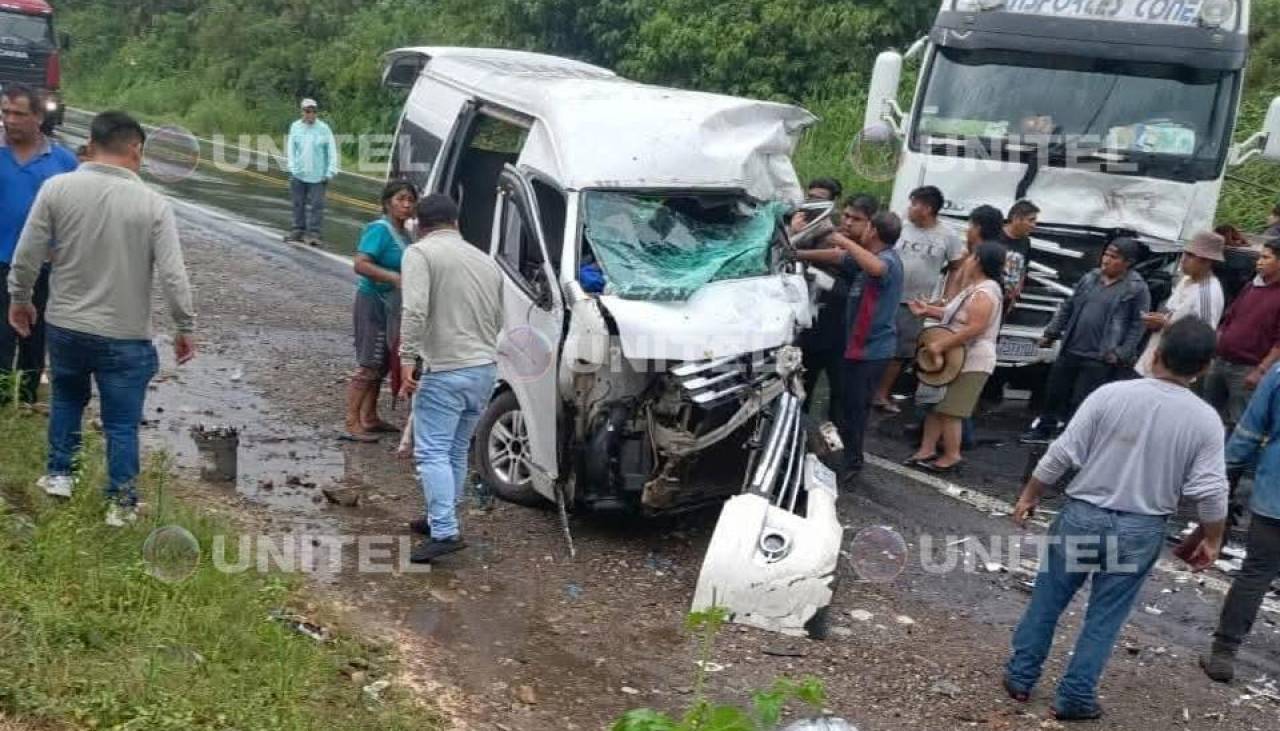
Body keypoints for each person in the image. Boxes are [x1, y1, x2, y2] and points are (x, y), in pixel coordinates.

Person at [1005, 318, 1228, 722]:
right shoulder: (1205, 420)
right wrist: (1213, 538)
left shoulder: (1110, 395)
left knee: (1049, 598)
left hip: (1082, 516)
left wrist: (1029, 495)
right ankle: (1074, 698)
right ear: (1205, 367)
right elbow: (1210, 491)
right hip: (1139, 530)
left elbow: (1062, 453)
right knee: (1104, 616)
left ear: (1156, 353)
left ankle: (1020, 679)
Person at [7, 111, 196, 525]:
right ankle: (121, 503)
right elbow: (173, 275)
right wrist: (185, 327)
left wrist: (20, 298)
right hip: (124, 333)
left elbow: (27, 254)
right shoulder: (153, 204)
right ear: (136, 149)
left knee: (67, 398)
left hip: (66, 325)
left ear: (92, 143)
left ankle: (59, 474)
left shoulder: (57, 188)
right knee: (122, 422)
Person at [399, 194, 504, 563]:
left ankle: (444, 530)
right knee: (456, 449)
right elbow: (499, 318)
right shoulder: (485, 261)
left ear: (419, 226)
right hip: (485, 369)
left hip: (446, 369)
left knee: (431, 452)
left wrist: (406, 357)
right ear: (456, 223)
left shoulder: (421, 254)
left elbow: (414, 309)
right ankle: (438, 517)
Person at [795, 211, 904, 483]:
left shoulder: (887, 259)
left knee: (854, 410)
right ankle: (839, 455)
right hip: (856, 349)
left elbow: (876, 268)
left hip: (872, 351)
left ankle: (851, 464)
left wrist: (842, 240)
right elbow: (836, 258)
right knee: (844, 405)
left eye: (863, 225)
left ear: (873, 232)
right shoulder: (864, 260)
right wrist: (798, 254)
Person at [1021, 238, 1151, 443]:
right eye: (1106, 254)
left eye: (1114, 257)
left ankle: (1070, 438)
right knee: (1055, 393)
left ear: (1128, 262)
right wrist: (1052, 332)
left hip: (1099, 356)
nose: (1106, 260)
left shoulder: (1136, 288)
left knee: (1081, 401)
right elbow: (1069, 306)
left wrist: (1121, 352)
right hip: (1071, 347)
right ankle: (1043, 430)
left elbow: (1138, 324)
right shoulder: (1091, 277)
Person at [1200, 361, 1280, 683]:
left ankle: (1224, 653)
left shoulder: (1277, 374)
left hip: (1275, 494)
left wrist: (1226, 475)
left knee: (1256, 573)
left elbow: (1248, 431)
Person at [0, 84, 78, 407]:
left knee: (35, 336)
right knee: (1, 337)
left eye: (19, 113)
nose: (10, 119)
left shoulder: (63, 162)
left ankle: (30, 401)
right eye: (5, 112)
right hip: (1, 262)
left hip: (45, 267)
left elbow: (78, 215)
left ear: (37, 117)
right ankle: (3, 405)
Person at [905, 243, 1006, 473]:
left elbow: (975, 328)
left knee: (951, 409)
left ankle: (952, 456)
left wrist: (941, 344)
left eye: (971, 257)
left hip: (972, 359)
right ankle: (927, 449)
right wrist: (928, 310)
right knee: (935, 404)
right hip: (956, 356)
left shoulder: (985, 292)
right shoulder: (975, 288)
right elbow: (956, 315)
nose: (967, 260)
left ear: (978, 261)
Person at [873, 186, 966, 414]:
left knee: (902, 351)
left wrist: (947, 298)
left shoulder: (948, 235)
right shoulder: (900, 227)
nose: (910, 208)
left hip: (915, 303)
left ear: (927, 208)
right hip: (886, 295)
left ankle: (881, 395)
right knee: (876, 343)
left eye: (914, 204)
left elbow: (956, 267)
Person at [343, 180, 419, 442]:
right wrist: (393, 278)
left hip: (392, 305)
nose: (406, 205)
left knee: (384, 362)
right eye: (401, 199)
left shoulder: (405, 233)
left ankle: (370, 416)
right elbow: (361, 264)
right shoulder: (379, 230)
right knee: (369, 363)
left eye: (410, 200)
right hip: (373, 301)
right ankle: (352, 422)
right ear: (388, 202)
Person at [800, 195, 879, 429]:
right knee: (800, 393)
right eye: (845, 216)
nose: (848, 222)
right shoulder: (822, 238)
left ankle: (840, 455)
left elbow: (842, 259)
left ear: (870, 224)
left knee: (840, 401)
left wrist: (803, 258)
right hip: (812, 332)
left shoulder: (868, 254)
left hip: (845, 340)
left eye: (856, 219)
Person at [1203, 240, 1280, 431]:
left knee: (1237, 423)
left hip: (1247, 369)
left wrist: (1261, 371)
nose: (1259, 262)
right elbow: (1229, 318)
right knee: (1207, 414)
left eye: (1265, 257)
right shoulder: (1251, 286)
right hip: (1221, 361)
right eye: (1259, 257)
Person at [1135, 232, 1226, 378]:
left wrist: (1166, 324)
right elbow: (1173, 313)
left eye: (1190, 255)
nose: (1183, 260)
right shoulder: (1186, 281)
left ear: (1206, 261)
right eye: (1185, 254)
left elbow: (1203, 339)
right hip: (1155, 358)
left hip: (1176, 371)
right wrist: (1158, 321)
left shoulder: (1208, 293)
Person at [286, 98, 340, 246]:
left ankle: (314, 234)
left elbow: (331, 151)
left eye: (313, 111)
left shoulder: (324, 128)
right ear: (302, 112)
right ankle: (298, 230)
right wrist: (291, 167)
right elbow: (291, 148)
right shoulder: (295, 127)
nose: (310, 114)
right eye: (307, 111)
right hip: (299, 173)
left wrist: (330, 171)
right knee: (298, 203)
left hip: (318, 175)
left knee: (317, 205)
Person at [1000, 200, 1039, 306]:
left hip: (1007, 300)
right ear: (1016, 218)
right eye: (1030, 220)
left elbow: (1024, 267)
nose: (1033, 225)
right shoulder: (996, 236)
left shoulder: (1026, 241)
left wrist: (1016, 292)